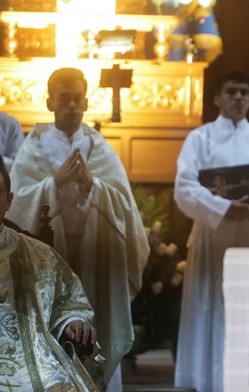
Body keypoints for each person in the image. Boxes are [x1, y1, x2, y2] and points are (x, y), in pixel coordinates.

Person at [6, 67, 149, 391]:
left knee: (95, 324)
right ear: (49, 103)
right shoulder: (33, 150)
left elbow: (126, 208)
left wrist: (95, 187)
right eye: (64, 99)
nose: (71, 106)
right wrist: (52, 184)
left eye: (77, 100)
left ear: (86, 103)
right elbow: (14, 206)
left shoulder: (100, 150)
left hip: (97, 256)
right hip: (50, 259)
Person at [174, 70, 249, 391]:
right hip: (214, 236)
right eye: (231, 92)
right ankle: (209, 380)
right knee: (212, 305)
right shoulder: (199, 139)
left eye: (245, 92)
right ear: (217, 98)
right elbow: (184, 188)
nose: (239, 98)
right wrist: (223, 206)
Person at [0, 136, 100, 391]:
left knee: (56, 385)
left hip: (32, 355)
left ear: (9, 200)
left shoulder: (40, 255)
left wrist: (72, 321)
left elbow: (68, 301)